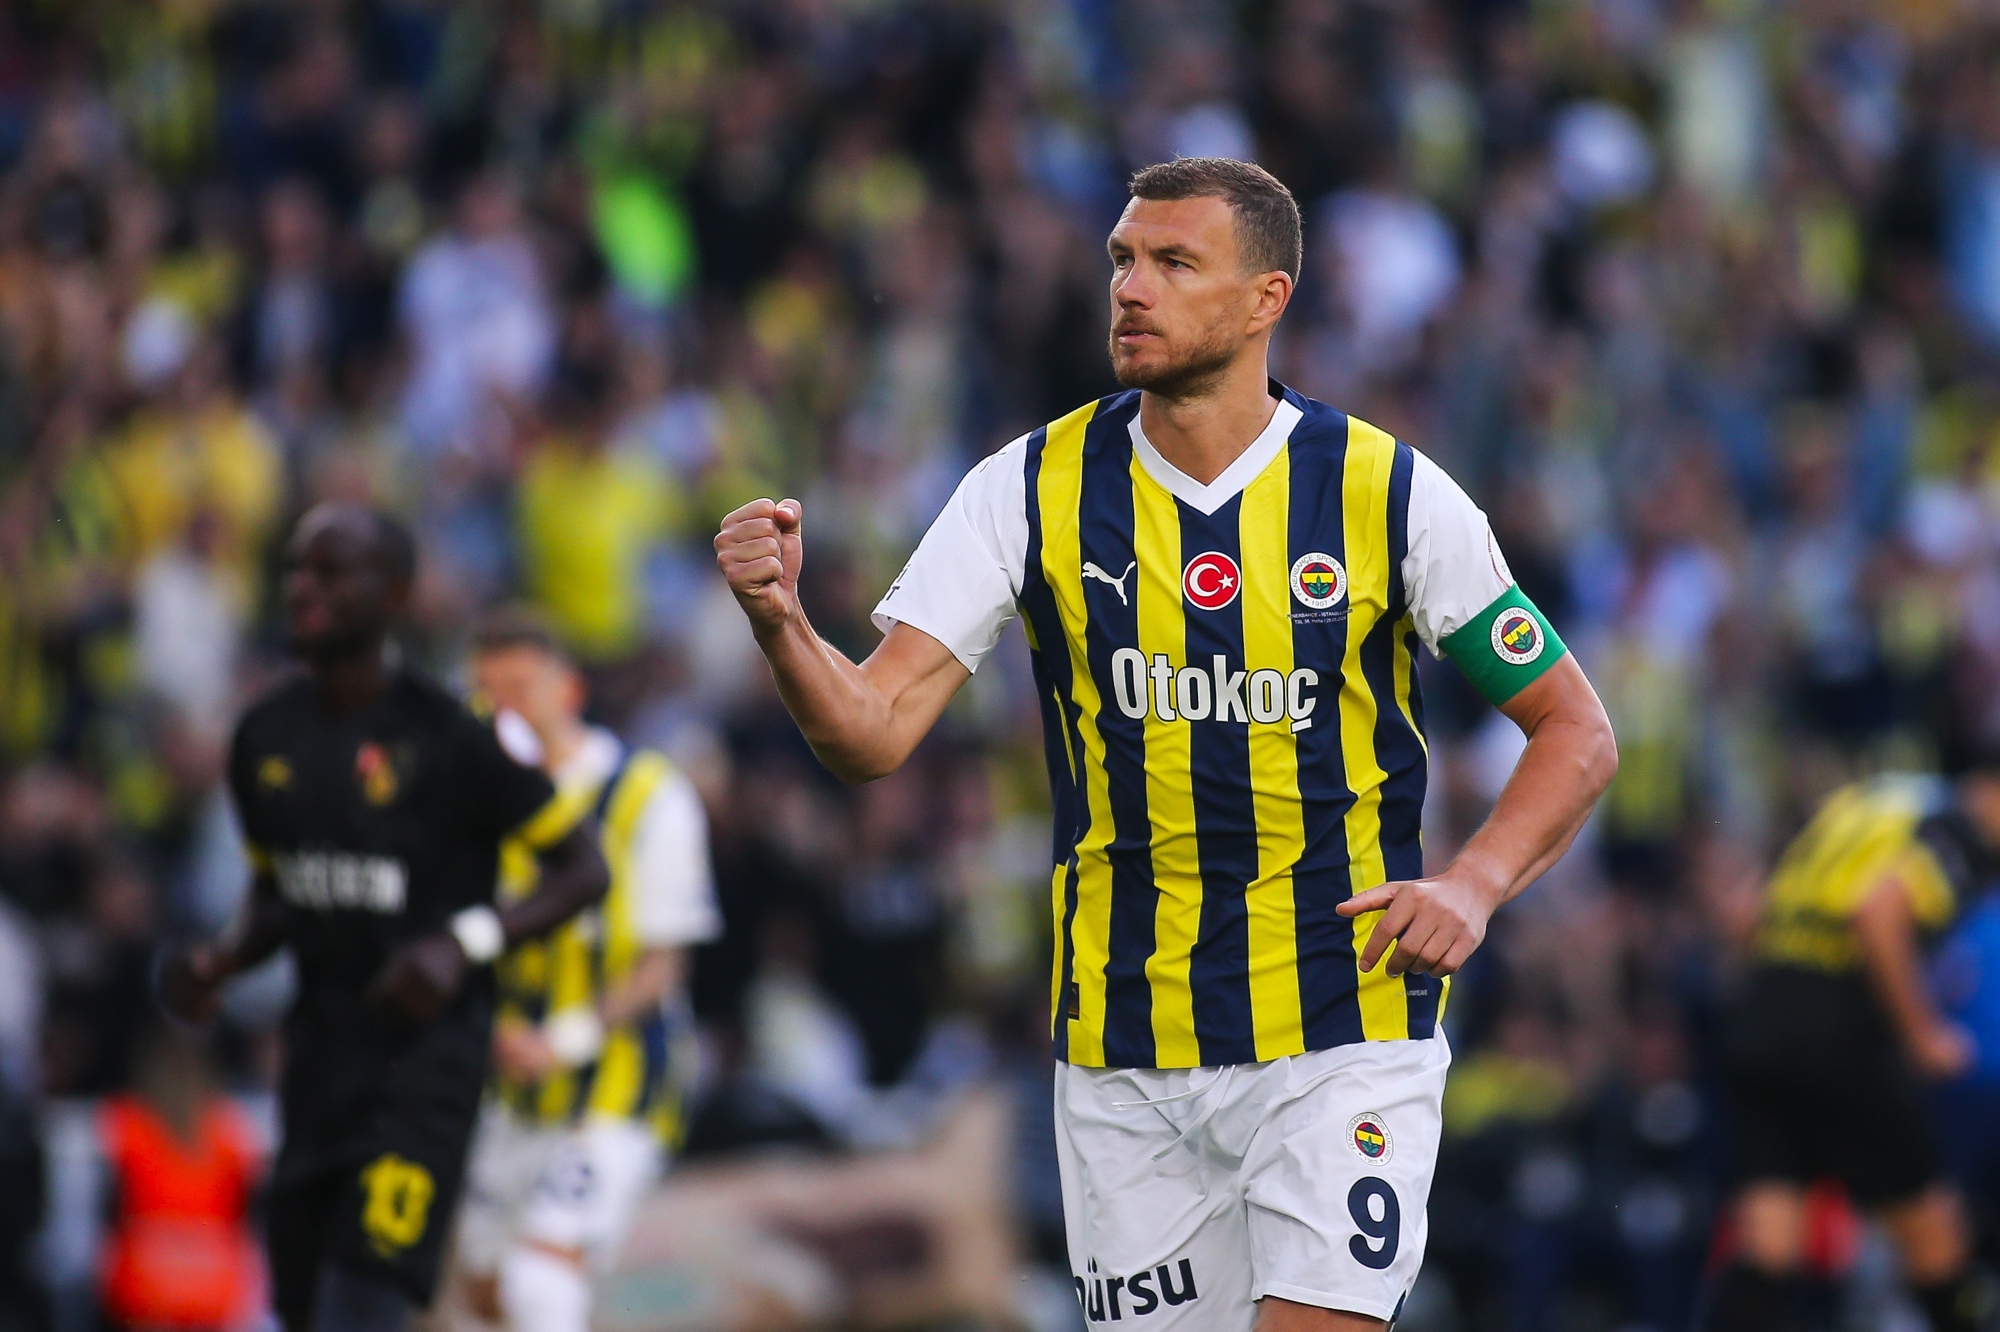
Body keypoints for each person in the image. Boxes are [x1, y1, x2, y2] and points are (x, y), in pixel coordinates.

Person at [714, 157, 1618, 1331]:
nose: (1130, 289)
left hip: (1339, 1029)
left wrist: (1474, 882)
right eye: (1121, 260)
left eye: (1173, 263)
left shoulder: (1383, 492)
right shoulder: (1026, 489)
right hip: (1122, 1055)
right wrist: (781, 625)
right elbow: (870, 734)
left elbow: (1573, 729)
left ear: (1263, 299)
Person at [160, 505, 610, 1332]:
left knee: (361, 1308)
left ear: (395, 593)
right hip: (314, 1068)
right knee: (302, 1311)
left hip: (421, 1074)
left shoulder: (453, 736)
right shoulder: (264, 736)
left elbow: (584, 869)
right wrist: (219, 960)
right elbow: (277, 894)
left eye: (331, 572)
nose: (304, 589)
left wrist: (463, 942)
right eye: (297, 569)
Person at [453, 609, 720, 1332]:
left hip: (614, 1086)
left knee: (541, 1278)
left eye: (519, 689)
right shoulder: (470, 805)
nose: (502, 711)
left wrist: (562, 1041)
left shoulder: (645, 795)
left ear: (567, 691)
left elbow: (663, 965)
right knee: (480, 1296)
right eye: (486, 694)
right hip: (507, 1089)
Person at [1712, 770, 2000, 1332]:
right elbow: (1878, 911)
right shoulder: (1957, 833)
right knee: (1937, 1239)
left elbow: (1745, 911)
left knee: (1769, 1246)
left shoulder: (1873, 800)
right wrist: (1923, 1035)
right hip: (1844, 1034)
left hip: (1764, 1019)